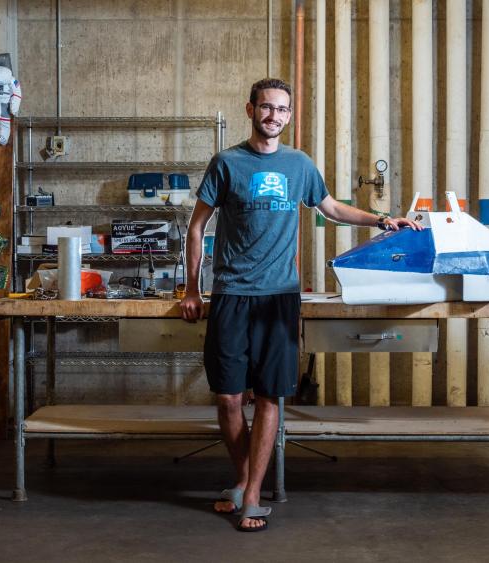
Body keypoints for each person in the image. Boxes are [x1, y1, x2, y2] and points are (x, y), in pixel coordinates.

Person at [180, 78, 422, 532]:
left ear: (289, 116)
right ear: (250, 109)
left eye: (283, 110)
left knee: (270, 395)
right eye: (267, 108)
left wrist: (382, 220)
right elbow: (197, 229)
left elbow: (331, 207)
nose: (274, 116)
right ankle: (243, 479)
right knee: (229, 398)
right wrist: (192, 288)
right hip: (231, 294)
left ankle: (251, 494)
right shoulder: (227, 163)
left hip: (279, 298)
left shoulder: (300, 165)